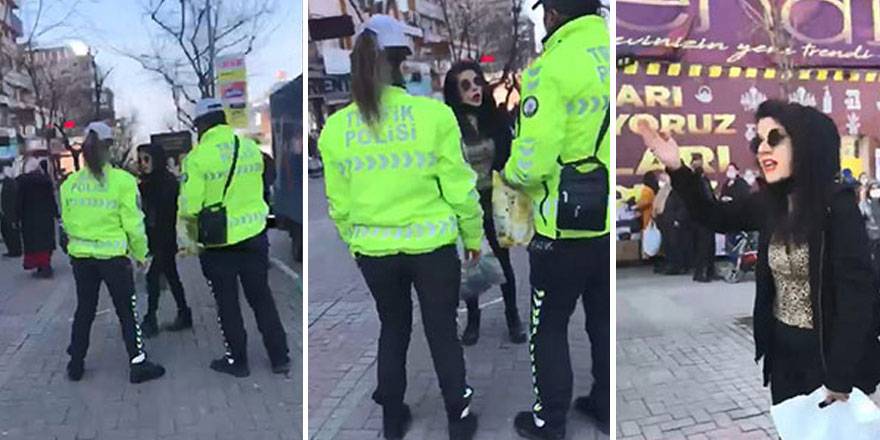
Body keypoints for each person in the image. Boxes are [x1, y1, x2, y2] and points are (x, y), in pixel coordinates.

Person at [638, 100, 880, 408]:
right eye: (759, 141)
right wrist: (676, 166)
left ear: (807, 144)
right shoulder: (770, 204)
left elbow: (856, 298)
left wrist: (840, 375)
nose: (763, 149)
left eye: (774, 139)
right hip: (783, 358)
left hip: (828, 362)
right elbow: (714, 216)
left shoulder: (838, 208)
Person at [318, 15, 482, 440]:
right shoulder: (433, 115)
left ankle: (392, 419)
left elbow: (339, 203)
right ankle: (459, 419)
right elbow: (460, 186)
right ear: (403, 62)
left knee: (393, 328)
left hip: (375, 252)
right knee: (442, 330)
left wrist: (356, 243)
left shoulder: (336, 129)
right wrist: (472, 235)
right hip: (432, 248)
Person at [501, 0, 610, 437]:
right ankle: (603, 404)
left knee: (547, 328)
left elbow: (531, 162)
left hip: (559, 228)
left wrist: (508, 173)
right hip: (603, 220)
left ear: (553, 15)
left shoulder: (551, 67)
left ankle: (550, 422)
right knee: (600, 320)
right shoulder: (609, 50)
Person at [178, 98, 290, 378]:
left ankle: (238, 362)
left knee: (227, 304)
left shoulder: (197, 158)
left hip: (218, 244)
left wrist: (188, 237)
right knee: (262, 297)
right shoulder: (250, 148)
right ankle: (280, 357)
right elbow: (267, 181)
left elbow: (191, 207)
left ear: (202, 125)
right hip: (254, 235)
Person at [60, 122, 166, 383]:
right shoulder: (123, 182)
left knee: (85, 308)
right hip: (113, 258)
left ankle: (75, 363)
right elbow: (134, 224)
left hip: (82, 257)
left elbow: (67, 222)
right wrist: (142, 255)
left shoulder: (69, 184)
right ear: (109, 148)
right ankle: (137, 363)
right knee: (127, 310)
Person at [443, 60, 526, 346]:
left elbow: (509, 157)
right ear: (455, 92)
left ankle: (513, 317)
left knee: (504, 264)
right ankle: (473, 319)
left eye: (477, 82)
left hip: (496, 202)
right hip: (467, 206)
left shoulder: (496, 118)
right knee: (472, 263)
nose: (474, 89)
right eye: (466, 85)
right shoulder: (448, 125)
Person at [136, 144, 191, 337]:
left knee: (153, 277)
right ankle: (184, 313)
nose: (142, 164)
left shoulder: (165, 182)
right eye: (140, 159)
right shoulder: (147, 182)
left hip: (162, 238)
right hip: (155, 238)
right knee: (171, 275)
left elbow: (161, 212)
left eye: (146, 159)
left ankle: (150, 319)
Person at [16, 157, 57, 278]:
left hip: (29, 219)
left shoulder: (22, 182)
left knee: (34, 244)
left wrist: (16, 217)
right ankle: (45, 266)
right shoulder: (46, 181)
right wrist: (56, 214)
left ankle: (41, 267)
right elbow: (51, 199)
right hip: (45, 217)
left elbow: (19, 201)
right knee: (45, 243)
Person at [688, 154, 717, 283]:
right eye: (696, 162)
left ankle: (710, 270)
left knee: (710, 245)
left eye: (700, 161)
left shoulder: (704, 178)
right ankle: (701, 272)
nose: (698, 164)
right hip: (700, 217)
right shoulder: (693, 179)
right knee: (702, 246)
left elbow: (709, 195)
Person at [0, 163, 22, 257]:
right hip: (2, 211)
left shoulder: (9, 183)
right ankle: (11, 250)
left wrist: (15, 214)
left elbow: (14, 199)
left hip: (9, 211)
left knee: (12, 231)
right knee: (5, 231)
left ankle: (16, 250)